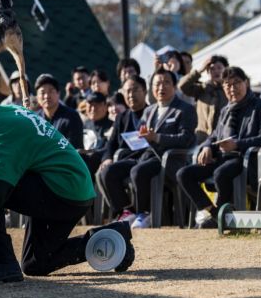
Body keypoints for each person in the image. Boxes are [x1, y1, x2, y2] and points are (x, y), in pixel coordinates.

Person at [0, 84, 135, 286]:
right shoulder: (7, 111)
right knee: (35, 264)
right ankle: (114, 237)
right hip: (74, 188)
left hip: (61, 192)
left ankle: (1, 262)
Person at [177, 66, 261, 228]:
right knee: (184, 174)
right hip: (222, 158)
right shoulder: (225, 110)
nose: (232, 88)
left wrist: (237, 144)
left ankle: (225, 214)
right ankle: (215, 214)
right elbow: (215, 135)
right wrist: (207, 146)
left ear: (246, 83)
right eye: (227, 85)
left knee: (220, 173)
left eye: (237, 83)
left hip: (245, 159)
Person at [106, 70, 196, 229]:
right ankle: (127, 211)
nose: (161, 87)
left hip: (168, 159)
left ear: (174, 86)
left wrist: (158, 137)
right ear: (152, 89)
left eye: (166, 82)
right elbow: (143, 137)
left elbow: (186, 139)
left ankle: (144, 213)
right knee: (109, 171)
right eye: (157, 84)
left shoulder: (185, 109)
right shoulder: (149, 110)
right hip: (144, 155)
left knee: (138, 171)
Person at [97, 76, 149, 221]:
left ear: (144, 91)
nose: (131, 95)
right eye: (127, 91)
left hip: (146, 158)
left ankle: (141, 214)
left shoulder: (152, 112)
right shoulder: (122, 117)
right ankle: (126, 210)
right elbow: (111, 143)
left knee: (138, 171)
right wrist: (107, 158)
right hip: (128, 160)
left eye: (135, 90)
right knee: (106, 171)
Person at [178, 55, 229, 143]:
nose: (216, 71)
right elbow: (182, 86)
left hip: (223, 136)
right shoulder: (202, 89)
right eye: (212, 69)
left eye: (219, 68)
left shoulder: (230, 90)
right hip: (202, 137)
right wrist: (200, 70)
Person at [35, 74, 84, 149]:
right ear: (37, 97)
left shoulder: (72, 117)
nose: (46, 96)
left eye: (51, 91)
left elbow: (73, 148)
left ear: (58, 93)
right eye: (42, 92)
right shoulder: (35, 118)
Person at [81, 91, 113, 174]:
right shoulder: (84, 124)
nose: (93, 109)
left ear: (105, 107)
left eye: (97, 105)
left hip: (98, 161)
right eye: (90, 105)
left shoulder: (112, 125)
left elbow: (109, 148)